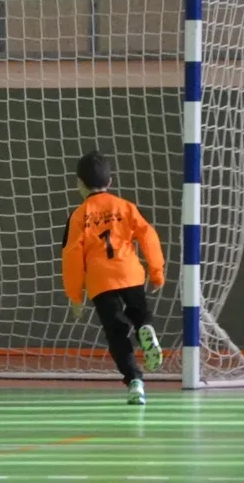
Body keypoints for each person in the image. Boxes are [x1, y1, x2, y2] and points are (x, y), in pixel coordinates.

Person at [61, 150, 165, 405]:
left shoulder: (78, 216)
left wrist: (75, 296)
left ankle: (135, 380)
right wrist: (157, 272)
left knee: (116, 332)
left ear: (79, 184)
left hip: (101, 282)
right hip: (129, 272)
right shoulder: (125, 207)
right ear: (111, 181)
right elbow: (148, 236)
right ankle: (145, 327)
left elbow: (72, 256)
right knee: (139, 311)